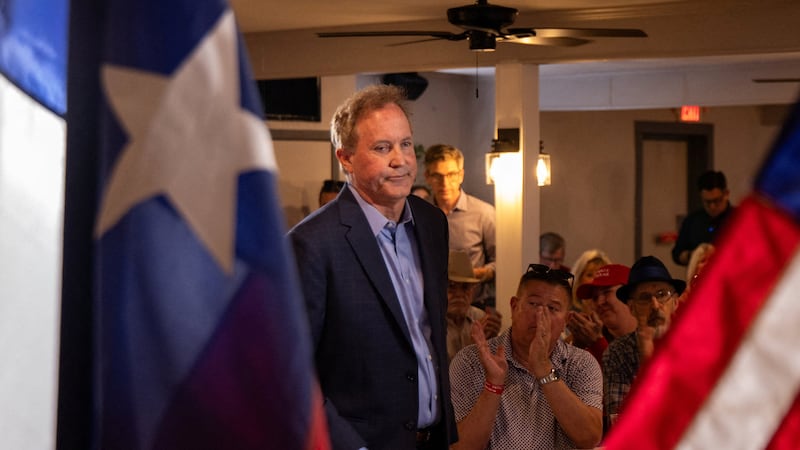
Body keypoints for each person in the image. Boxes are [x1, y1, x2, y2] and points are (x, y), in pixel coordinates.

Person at [288, 84, 456, 450]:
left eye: (406, 144)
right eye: (383, 148)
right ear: (345, 158)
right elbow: (292, 372)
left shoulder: (431, 224)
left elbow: (427, 336)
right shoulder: (312, 243)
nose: (401, 160)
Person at [449, 264, 603, 450]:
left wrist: (545, 370)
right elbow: (461, 447)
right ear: (514, 307)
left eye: (553, 308)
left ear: (566, 321)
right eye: (534, 304)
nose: (540, 315)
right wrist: (494, 385)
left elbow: (590, 438)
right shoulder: (471, 360)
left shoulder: (581, 363)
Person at [603, 256, 685, 428]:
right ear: (631, 308)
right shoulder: (619, 352)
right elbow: (620, 423)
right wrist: (647, 353)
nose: (655, 305)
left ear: (676, 302)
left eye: (662, 295)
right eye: (645, 298)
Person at [424, 144, 496, 309]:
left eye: (451, 175)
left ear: (461, 175)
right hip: (430, 306)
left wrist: (478, 273)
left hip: (473, 304)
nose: (445, 182)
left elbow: (502, 261)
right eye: (437, 175)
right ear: (427, 176)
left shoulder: (483, 213)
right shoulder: (419, 213)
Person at [569, 264, 636, 366]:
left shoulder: (653, 338)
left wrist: (597, 343)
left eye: (606, 292)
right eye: (595, 297)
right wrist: (578, 346)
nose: (600, 302)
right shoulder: (590, 340)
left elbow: (626, 377)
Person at [446, 250, 502, 362]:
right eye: (451, 286)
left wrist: (494, 342)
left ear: (473, 290)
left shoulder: (481, 318)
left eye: (465, 287)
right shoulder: (430, 324)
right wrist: (472, 348)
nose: (459, 294)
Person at [672, 170, 735, 265]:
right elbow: (677, 254)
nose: (712, 207)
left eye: (716, 201)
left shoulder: (740, 219)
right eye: (707, 202)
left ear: (726, 194)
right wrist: (693, 255)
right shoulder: (692, 220)